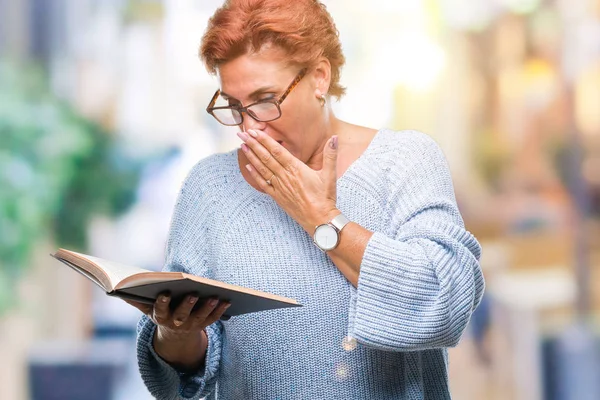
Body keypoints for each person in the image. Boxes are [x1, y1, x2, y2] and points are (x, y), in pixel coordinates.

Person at [127, 0, 485, 399]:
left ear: (319, 76)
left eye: (265, 99)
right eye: (233, 105)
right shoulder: (210, 187)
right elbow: (183, 374)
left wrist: (321, 217)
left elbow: (444, 302)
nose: (250, 128)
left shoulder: (404, 162)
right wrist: (175, 334)